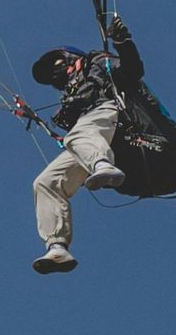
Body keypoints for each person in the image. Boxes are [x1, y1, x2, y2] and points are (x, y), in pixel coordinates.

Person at [23, 14, 147, 275]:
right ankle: (57, 246)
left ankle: (102, 165)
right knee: (45, 183)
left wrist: (123, 43)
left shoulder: (98, 64)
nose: (54, 73)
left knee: (76, 137)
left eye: (55, 63)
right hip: (93, 135)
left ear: (71, 60)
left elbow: (133, 71)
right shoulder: (71, 99)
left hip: (113, 114)